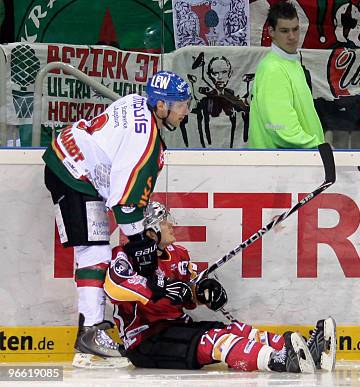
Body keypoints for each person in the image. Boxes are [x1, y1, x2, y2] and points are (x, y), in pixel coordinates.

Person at [42, 71, 192, 368]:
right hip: (74, 173)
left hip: (70, 158)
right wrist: (139, 244)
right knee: (94, 251)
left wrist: (139, 242)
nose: (186, 110)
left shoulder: (137, 101)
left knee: (94, 249)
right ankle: (90, 334)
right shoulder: (145, 142)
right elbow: (125, 207)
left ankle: (91, 331)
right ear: (160, 106)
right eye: (180, 104)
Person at [104, 201, 337, 372]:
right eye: (164, 222)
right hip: (146, 341)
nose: (171, 225)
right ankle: (278, 359)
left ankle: (307, 351)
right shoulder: (126, 256)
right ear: (150, 230)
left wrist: (203, 292)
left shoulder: (178, 254)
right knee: (215, 340)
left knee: (237, 330)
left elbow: (189, 296)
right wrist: (160, 288)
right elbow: (114, 287)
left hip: (177, 327)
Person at [247, 1, 324, 149]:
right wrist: (318, 147)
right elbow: (282, 129)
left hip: (292, 162)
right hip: (279, 165)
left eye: (295, 29)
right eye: (284, 31)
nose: (292, 36)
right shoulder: (273, 69)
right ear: (271, 32)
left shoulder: (292, 64)